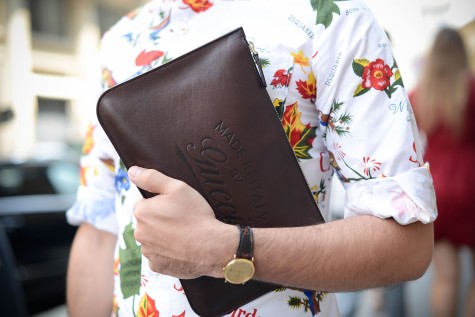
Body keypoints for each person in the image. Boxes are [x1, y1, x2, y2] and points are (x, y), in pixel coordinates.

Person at [66, 1, 438, 316]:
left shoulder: (330, 18)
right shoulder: (119, 40)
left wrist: (224, 250)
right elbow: (99, 234)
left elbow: (407, 245)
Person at [410, 27, 475, 317]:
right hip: (471, 181)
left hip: (437, 188)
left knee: (446, 277)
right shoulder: (471, 88)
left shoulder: (420, 95)